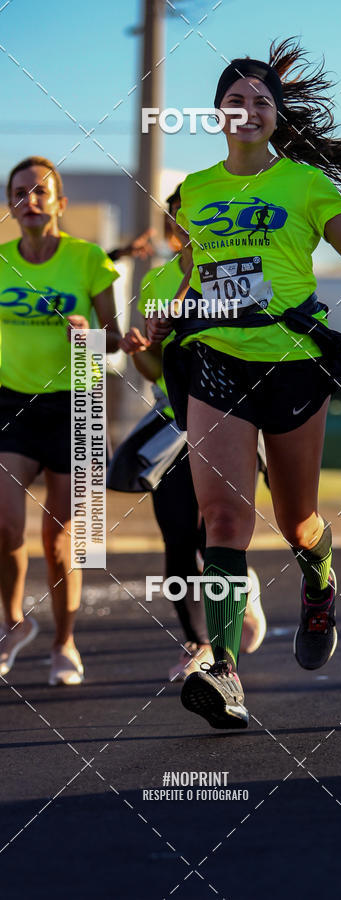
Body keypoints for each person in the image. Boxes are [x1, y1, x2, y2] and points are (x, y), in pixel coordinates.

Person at [147, 39, 341, 729]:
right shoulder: (197, 190)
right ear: (217, 113)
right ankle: (225, 670)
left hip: (292, 361)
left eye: (261, 100)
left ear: (276, 115)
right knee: (224, 519)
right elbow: (194, 273)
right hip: (217, 356)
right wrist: (164, 312)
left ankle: (318, 581)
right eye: (235, 99)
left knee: (298, 521)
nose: (249, 109)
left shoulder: (304, 184)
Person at [113, 185, 267, 682]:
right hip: (174, 420)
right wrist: (142, 347)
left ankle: (239, 598)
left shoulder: (237, 271)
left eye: (200, 214)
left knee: (215, 531)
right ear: (173, 225)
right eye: (181, 215)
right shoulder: (157, 281)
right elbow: (153, 368)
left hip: (232, 412)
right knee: (178, 533)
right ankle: (197, 643)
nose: (190, 223)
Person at [0, 156, 121, 684]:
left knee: (61, 538)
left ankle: (64, 643)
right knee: (4, 524)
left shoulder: (88, 258)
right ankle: (12, 624)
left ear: (60, 203)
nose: (29, 200)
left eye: (40, 191)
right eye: (19, 192)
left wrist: (88, 334)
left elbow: (114, 339)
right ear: (10, 205)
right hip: (11, 402)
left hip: (78, 402)